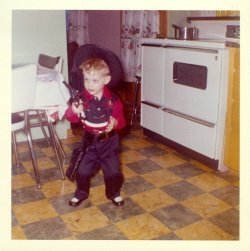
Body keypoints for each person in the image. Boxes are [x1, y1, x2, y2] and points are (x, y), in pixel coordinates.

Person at [65, 57, 126, 207]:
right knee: (82, 171)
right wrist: (74, 110)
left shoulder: (113, 100)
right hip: (89, 143)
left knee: (113, 172)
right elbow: (70, 118)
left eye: (94, 80)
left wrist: (115, 123)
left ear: (106, 80)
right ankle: (81, 193)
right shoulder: (81, 99)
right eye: (86, 80)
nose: (89, 85)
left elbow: (122, 121)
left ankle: (114, 193)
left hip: (109, 143)